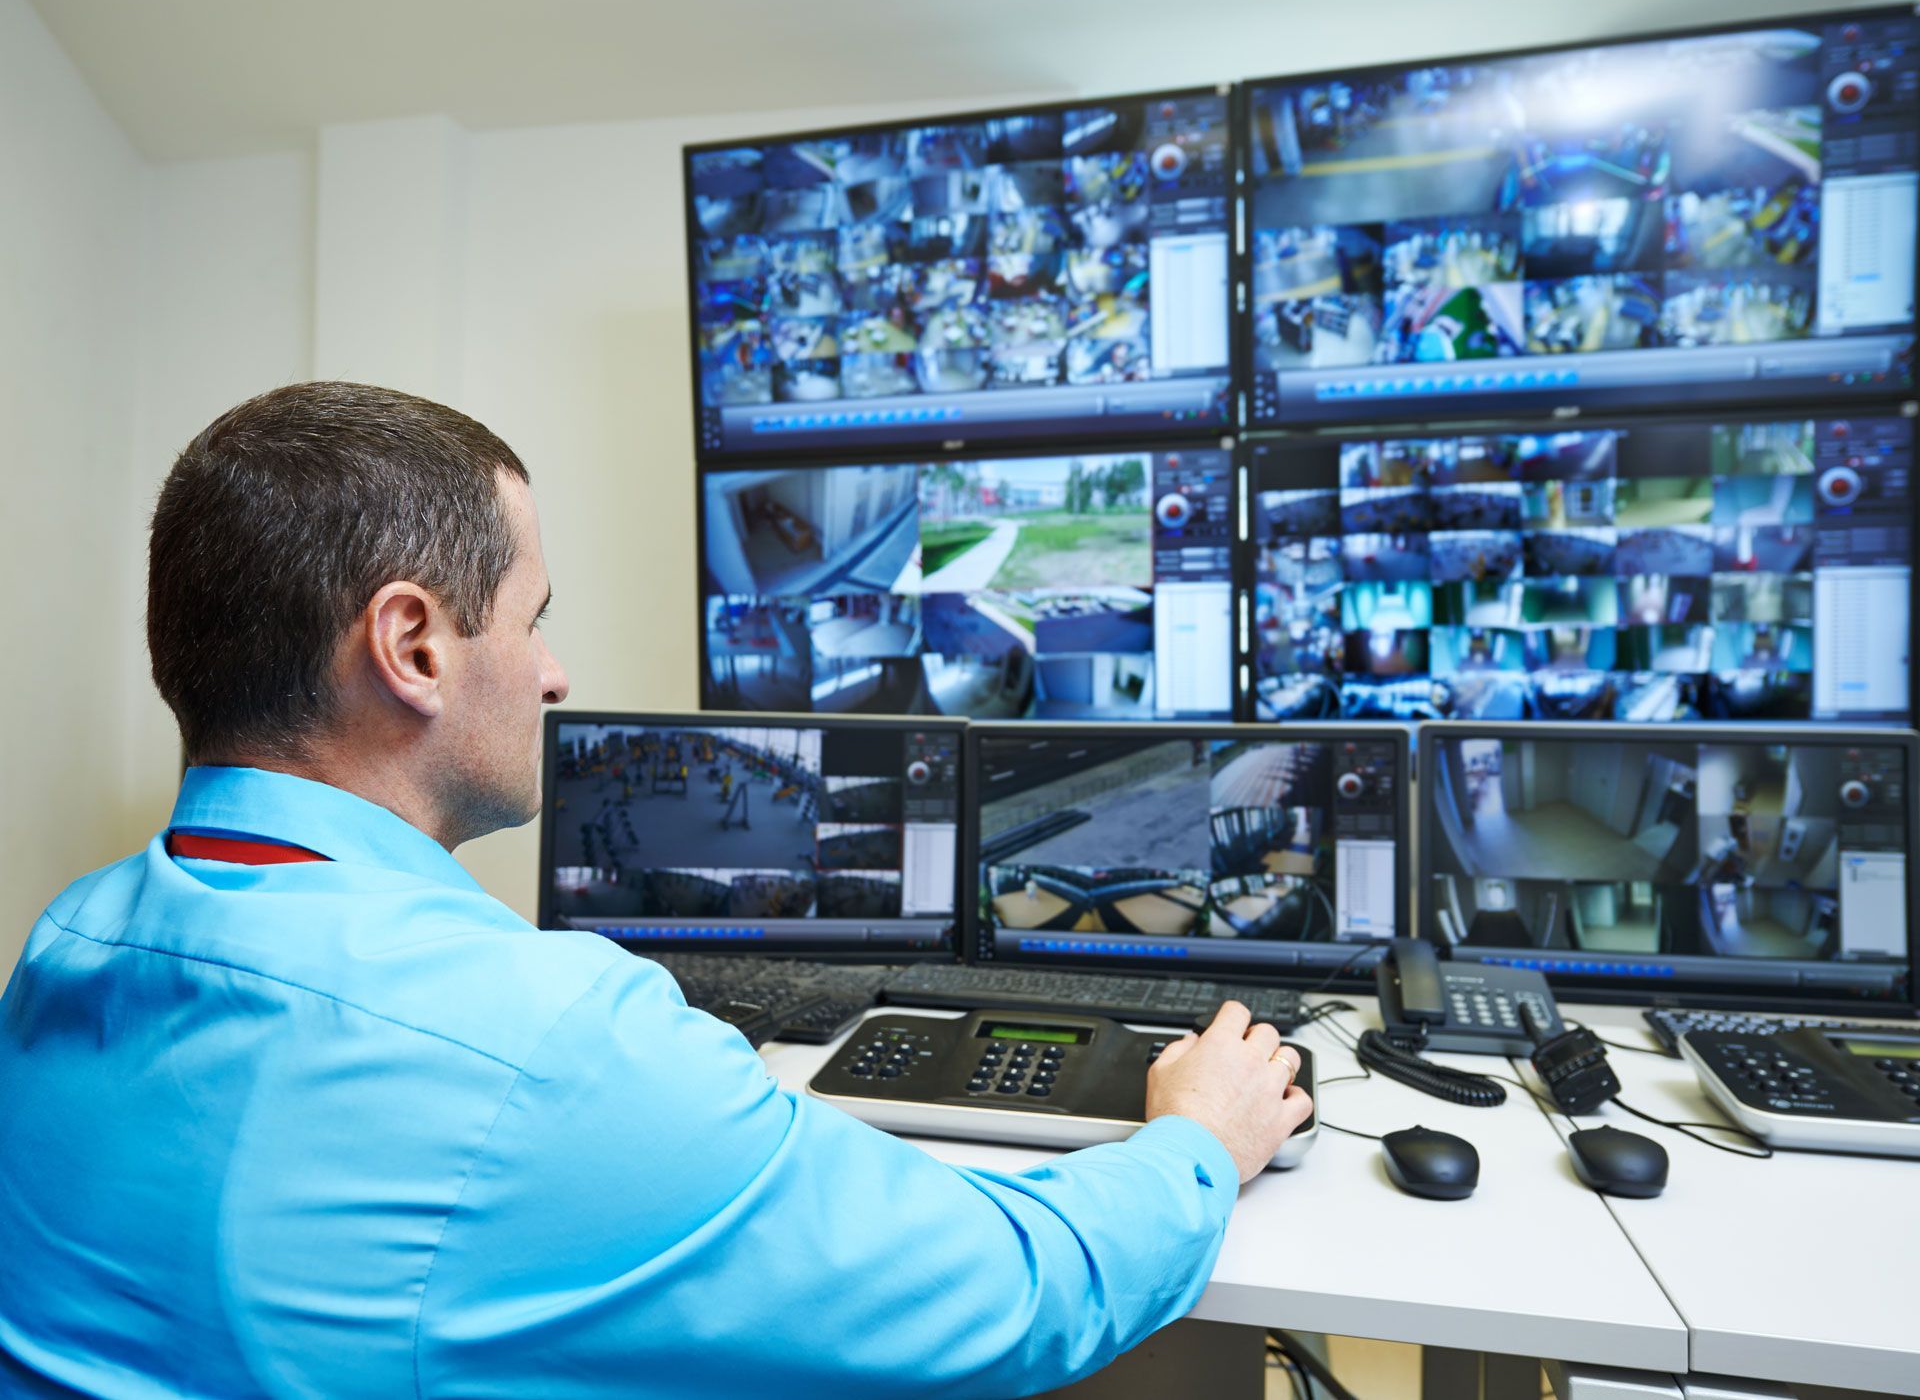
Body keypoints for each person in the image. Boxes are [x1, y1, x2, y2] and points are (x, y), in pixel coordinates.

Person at [0, 382, 1313, 1398]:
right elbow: (1010, 1297)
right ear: (411, 645)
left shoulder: (67, 944)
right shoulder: (547, 1036)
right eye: (531, 617)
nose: (557, 672)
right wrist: (1198, 1139)